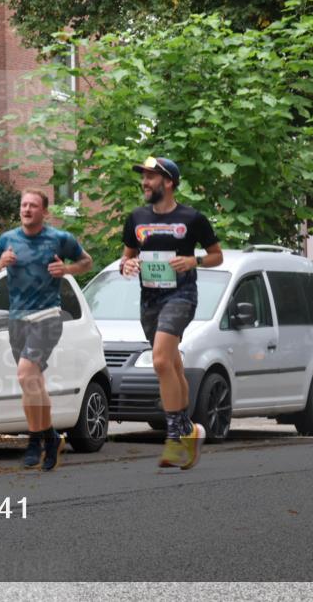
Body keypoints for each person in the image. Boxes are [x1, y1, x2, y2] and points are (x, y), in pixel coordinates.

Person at [120, 156, 222, 470]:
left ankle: (177, 433)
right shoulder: (135, 218)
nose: (144, 182)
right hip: (149, 299)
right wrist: (128, 265)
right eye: (144, 177)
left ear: (168, 182)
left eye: (150, 177)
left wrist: (194, 261)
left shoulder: (192, 218)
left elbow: (216, 256)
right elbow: (126, 257)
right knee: (173, 363)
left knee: (161, 359)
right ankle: (191, 430)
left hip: (181, 296)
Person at [0, 189, 93, 471]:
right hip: (17, 319)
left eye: (33, 205)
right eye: (23, 205)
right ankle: (50, 437)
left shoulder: (58, 239)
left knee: (25, 373)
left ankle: (34, 440)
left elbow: (86, 262)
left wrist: (66, 270)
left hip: (47, 316)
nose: (27, 209)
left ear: (44, 211)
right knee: (33, 383)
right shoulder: (8, 240)